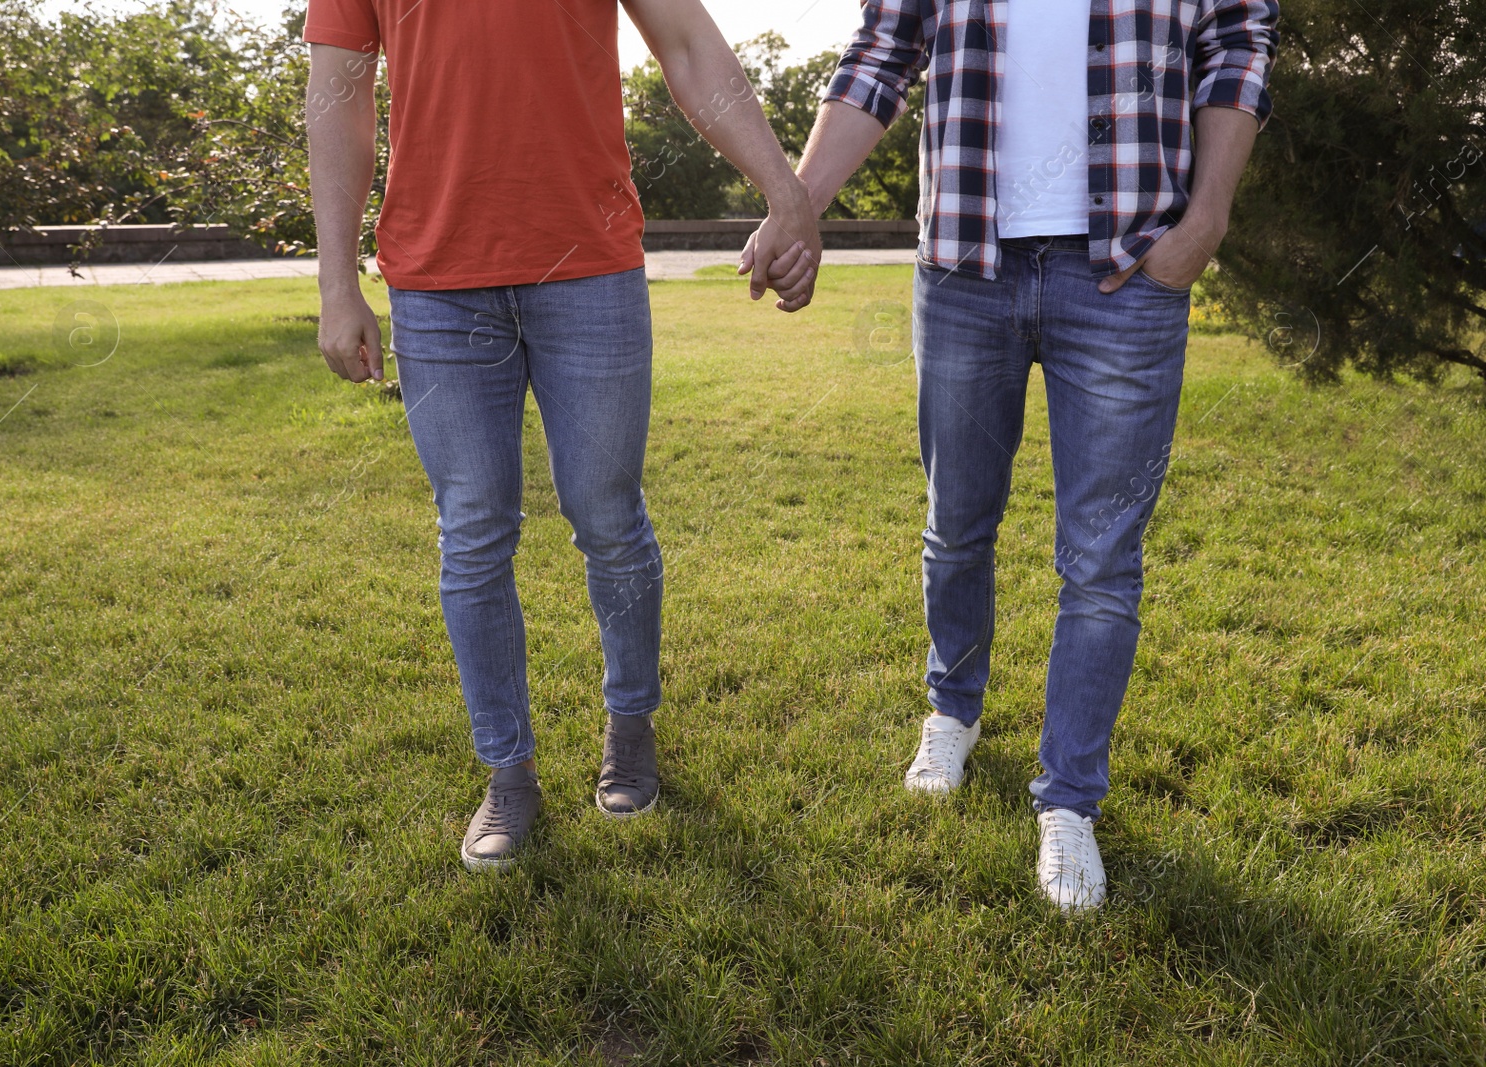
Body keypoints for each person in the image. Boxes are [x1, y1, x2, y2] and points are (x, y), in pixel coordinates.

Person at [761, 0, 1278, 909]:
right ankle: (953, 709)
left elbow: (1236, 41)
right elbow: (882, 53)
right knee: (956, 522)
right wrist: (798, 205)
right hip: (966, 265)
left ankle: (1069, 801)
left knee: (1103, 563)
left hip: (1125, 269)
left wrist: (1207, 222)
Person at [303, 0, 819, 871]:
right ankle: (508, 771)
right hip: (436, 282)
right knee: (472, 532)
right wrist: (335, 280)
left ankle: (630, 723)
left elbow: (688, 46)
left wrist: (786, 188)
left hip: (589, 268)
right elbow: (339, 98)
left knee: (609, 516)